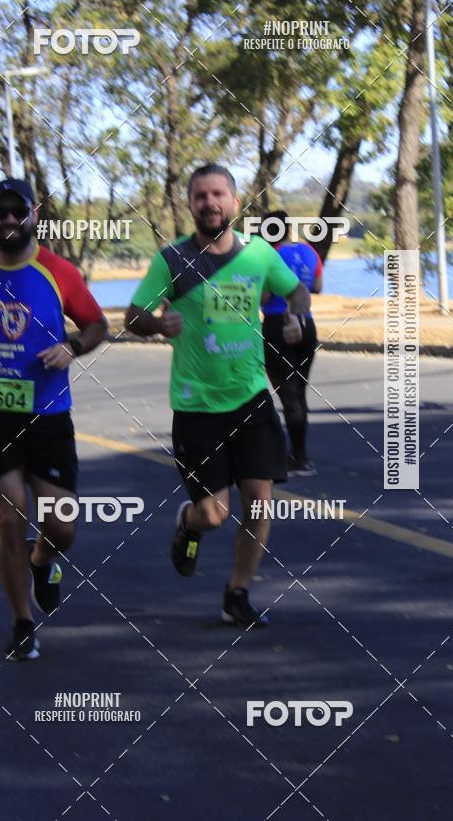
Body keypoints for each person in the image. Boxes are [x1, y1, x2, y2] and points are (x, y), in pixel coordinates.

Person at [125, 164, 310, 628]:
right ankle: (188, 523)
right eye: (200, 196)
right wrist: (156, 323)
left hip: (251, 396)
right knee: (215, 514)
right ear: (191, 205)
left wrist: (295, 316)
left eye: (217, 194)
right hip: (197, 405)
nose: (209, 203)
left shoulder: (260, 254)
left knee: (260, 499)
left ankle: (238, 592)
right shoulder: (171, 261)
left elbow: (298, 290)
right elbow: (132, 316)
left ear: (234, 200)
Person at [0, 178, 107, 660]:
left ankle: (43, 558)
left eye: (16, 211)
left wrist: (71, 346)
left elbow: (97, 325)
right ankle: (22, 623)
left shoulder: (58, 271)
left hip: (48, 414)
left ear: (34, 214)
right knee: (7, 519)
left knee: (62, 526)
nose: (8, 220)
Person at [261, 211, 322, 476]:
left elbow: (263, 296)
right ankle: (299, 454)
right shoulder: (310, 252)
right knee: (299, 391)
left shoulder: (267, 256)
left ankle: (299, 458)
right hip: (307, 324)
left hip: (278, 324)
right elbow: (317, 286)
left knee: (287, 393)